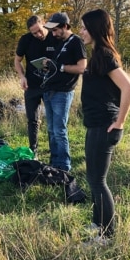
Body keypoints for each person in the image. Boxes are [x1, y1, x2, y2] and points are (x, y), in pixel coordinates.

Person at [79, 9, 130, 245]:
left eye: (83, 27)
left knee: (97, 180)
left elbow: (129, 88)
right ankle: (97, 222)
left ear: (94, 29)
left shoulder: (104, 55)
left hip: (105, 125)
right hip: (95, 124)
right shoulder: (97, 55)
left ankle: (107, 236)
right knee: (92, 177)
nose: (80, 31)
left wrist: (120, 122)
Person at [41, 12, 87, 171]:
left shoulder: (76, 42)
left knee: (59, 130)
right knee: (51, 130)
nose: (53, 33)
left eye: (55, 30)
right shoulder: (58, 41)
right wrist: (48, 65)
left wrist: (60, 67)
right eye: (51, 31)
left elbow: (82, 67)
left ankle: (64, 166)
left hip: (63, 92)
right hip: (49, 89)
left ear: (65, 26)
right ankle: (54, 162)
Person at [14, 15, 57, 156]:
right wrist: (22, 76)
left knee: (53, 120)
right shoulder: (25, 40)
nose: (38, 34)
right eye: (34, 33)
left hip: (51, 85)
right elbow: (17, 60)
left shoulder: (54, 36)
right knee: (32, 120)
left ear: (43, 24)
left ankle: (54, 151)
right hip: (32, 85)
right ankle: (33, 151)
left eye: (39, 30)